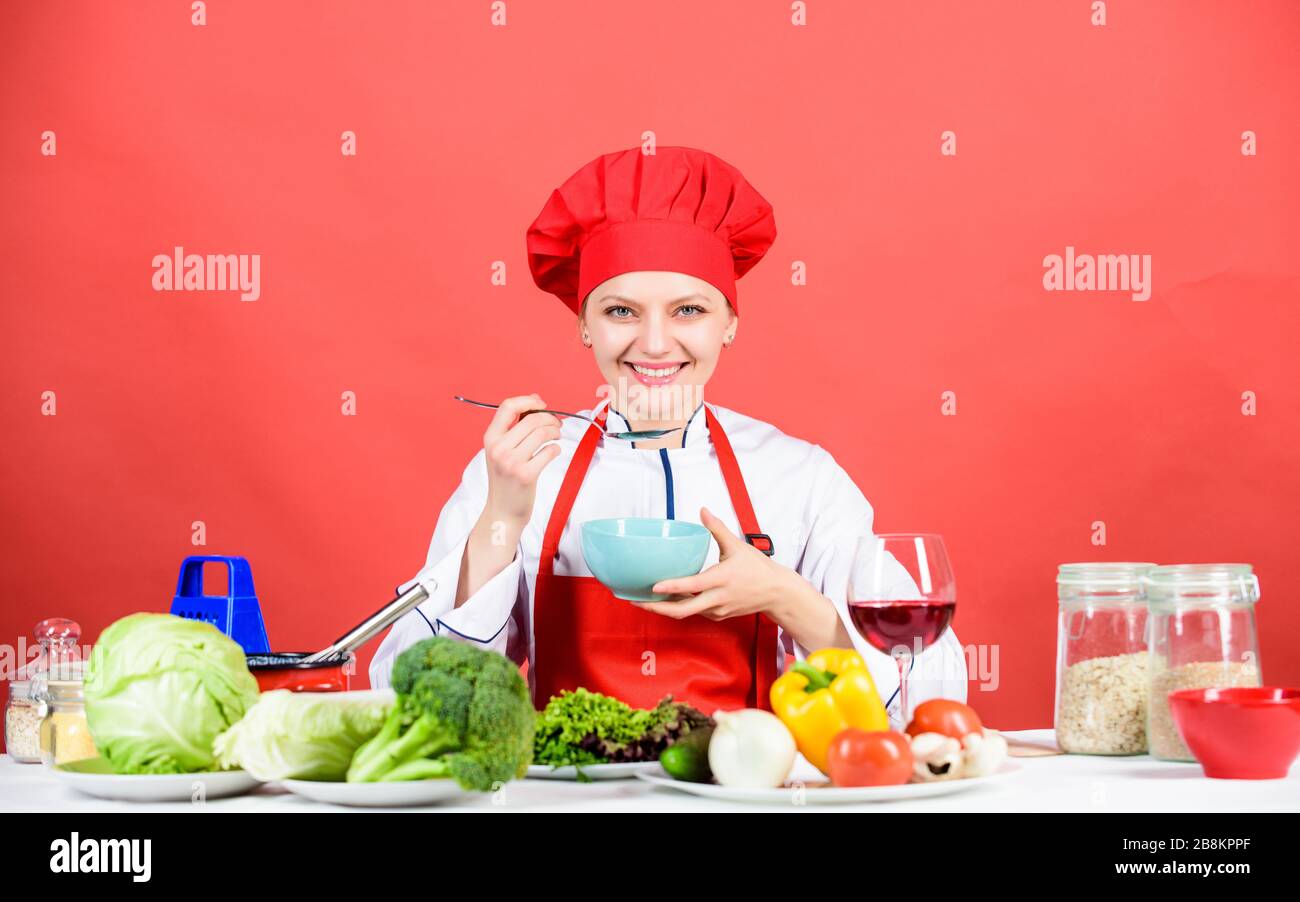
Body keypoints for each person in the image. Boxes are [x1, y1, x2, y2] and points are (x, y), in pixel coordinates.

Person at [370, 146, 967, 725]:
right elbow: (422, 706)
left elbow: (930, 698)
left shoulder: (803, 477)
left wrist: (786, 598)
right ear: (583, 324)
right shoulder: (515, 471)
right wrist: (501, 519)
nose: (655, 344)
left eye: (689, 311)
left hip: (746, 798)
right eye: (621, 312)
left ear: (730, 324)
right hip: (567, 797)